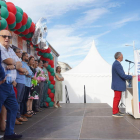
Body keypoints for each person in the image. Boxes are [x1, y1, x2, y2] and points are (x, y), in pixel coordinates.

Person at [0, 30, 22, 139]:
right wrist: (14, 62)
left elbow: (19, 64)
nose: (7, 38)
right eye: (4, 36)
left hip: (10, 85)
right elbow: (8, 60)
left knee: (13, 107)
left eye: (9, 37)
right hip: (2, 84)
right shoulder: (0, 48)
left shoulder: (10, 49)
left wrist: (13, 65)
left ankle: (9, 133)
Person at [111, 52, 133, 117]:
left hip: (117, 84)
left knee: (118, 98)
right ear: (119, 57)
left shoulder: (116, 63)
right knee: (117, 98)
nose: (123, 57)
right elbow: (122, 75)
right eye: (122, 56)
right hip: (118, 85)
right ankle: (115, 112)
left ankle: (117, 110)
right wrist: (131, 77)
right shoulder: (117, 64)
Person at [13, 48, 28, 124]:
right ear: (15, 53)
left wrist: (24, 71)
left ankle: (18, 116)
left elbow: (26, 71)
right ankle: (17, 117)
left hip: (23, 82)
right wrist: (24, 71)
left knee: (20, 100)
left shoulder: (20, 61)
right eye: (19, 52)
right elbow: (21, 70)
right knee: (17, 100)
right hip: (18, 81)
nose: (21, 53)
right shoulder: (15, 59)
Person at [20, 52, 34, 118]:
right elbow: (25, 72)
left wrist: (28, 73)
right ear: (23, 57)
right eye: (26, 56)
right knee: (22, 99)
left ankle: (24, 112)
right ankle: (22, 113)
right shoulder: (21, 63)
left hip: (28, 84)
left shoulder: (27, 65)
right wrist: (27, 73)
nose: (27, 58)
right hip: (24, 83)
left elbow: (31, 74)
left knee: (25, 99)